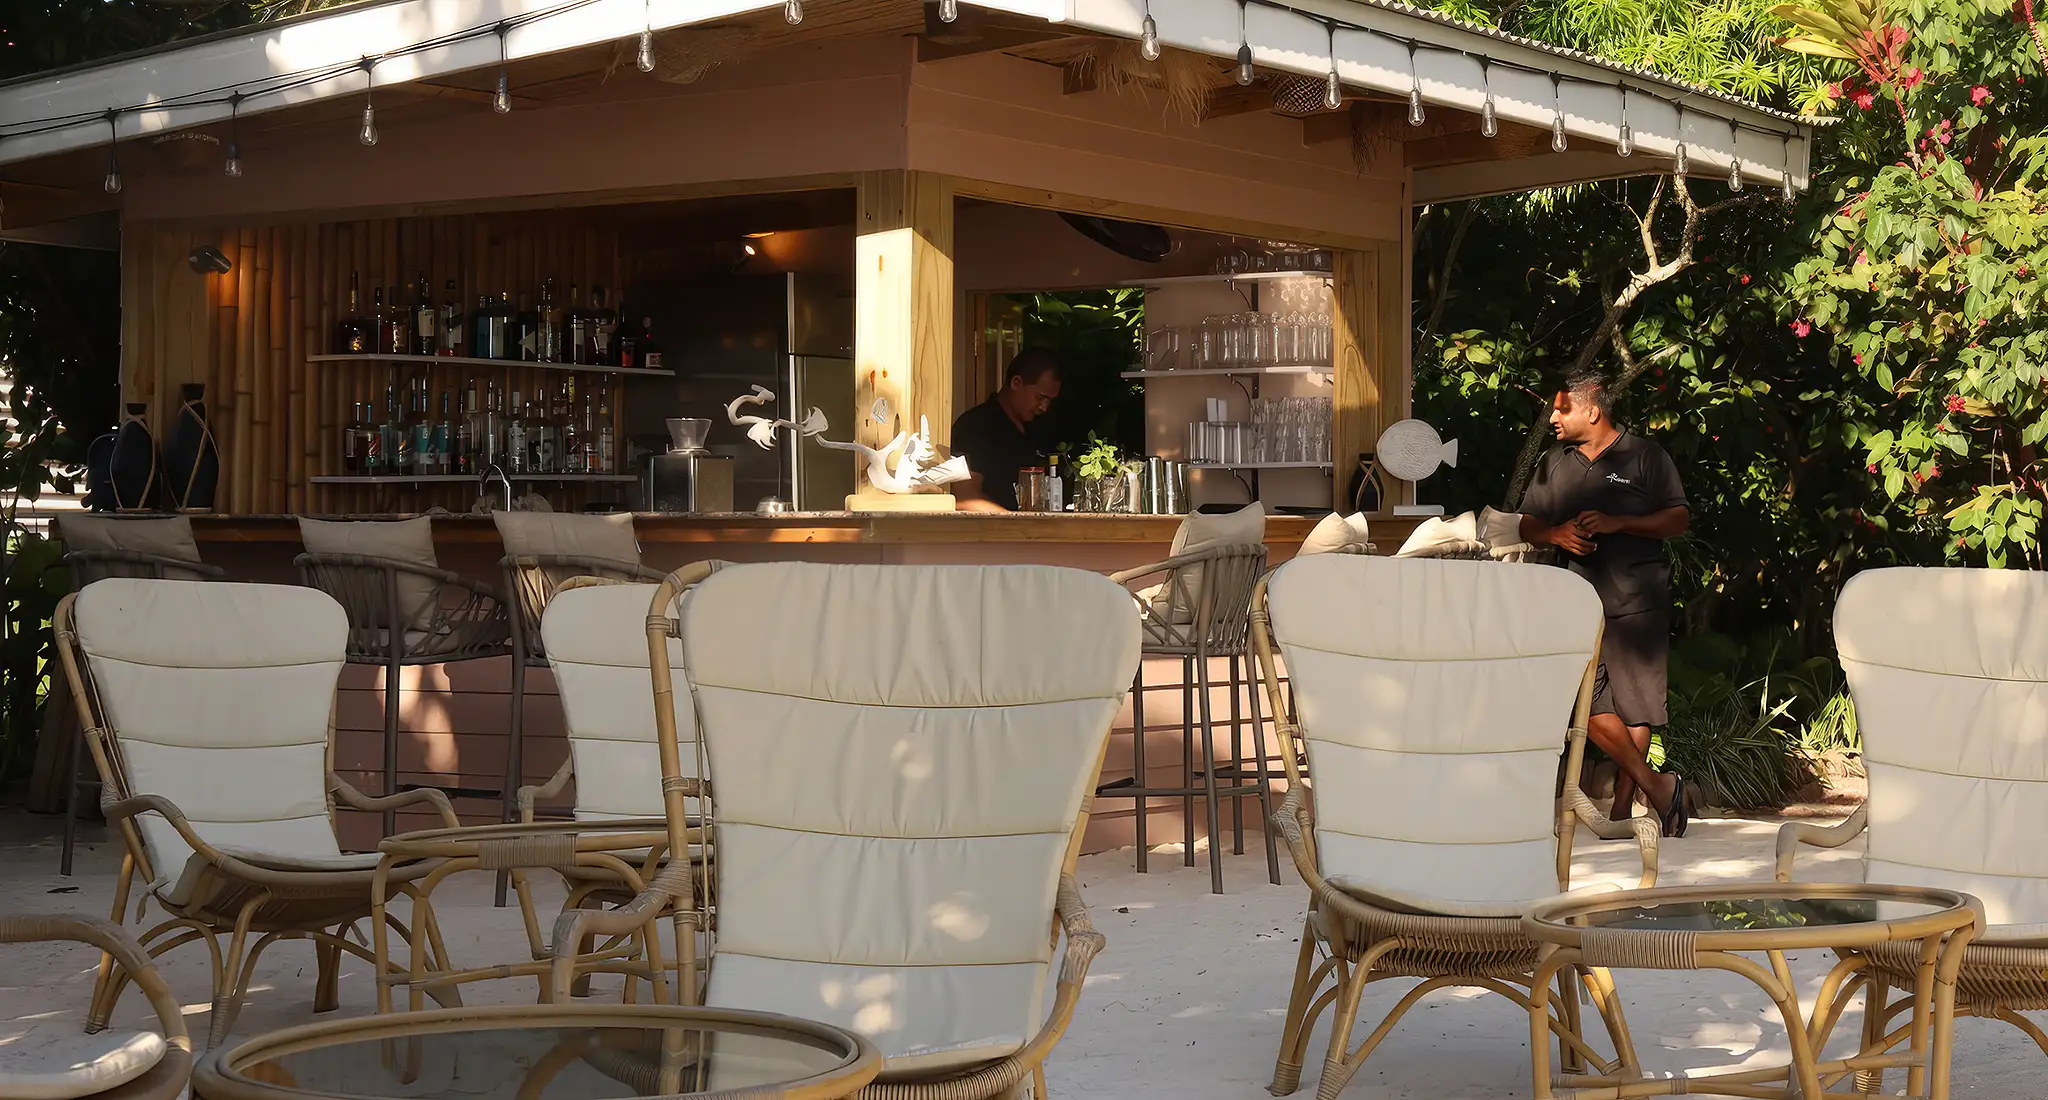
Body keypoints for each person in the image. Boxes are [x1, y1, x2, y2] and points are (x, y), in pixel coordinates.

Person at [1518, 369, 1693, 836]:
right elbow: (1526, 524)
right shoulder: (1554, 463)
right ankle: (1658, 788)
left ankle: (1621, 813)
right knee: (1583, 706)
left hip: (1638, 597)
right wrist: (1554, 533)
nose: (1553, 417)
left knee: (1638, 708)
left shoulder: (1645, 456)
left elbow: (1677, 518)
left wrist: (1619, 523)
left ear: (1592, 410)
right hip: (1573, 603)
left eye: (1562, 408)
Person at [950, 348, 1062, 512]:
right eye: (1040, 397)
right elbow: (964, 497)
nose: (1044, 407)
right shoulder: (975, 425)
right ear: (1016, 383)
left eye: (1049, 401)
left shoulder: (1034, 429)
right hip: (988, 533)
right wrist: (1014, 524)